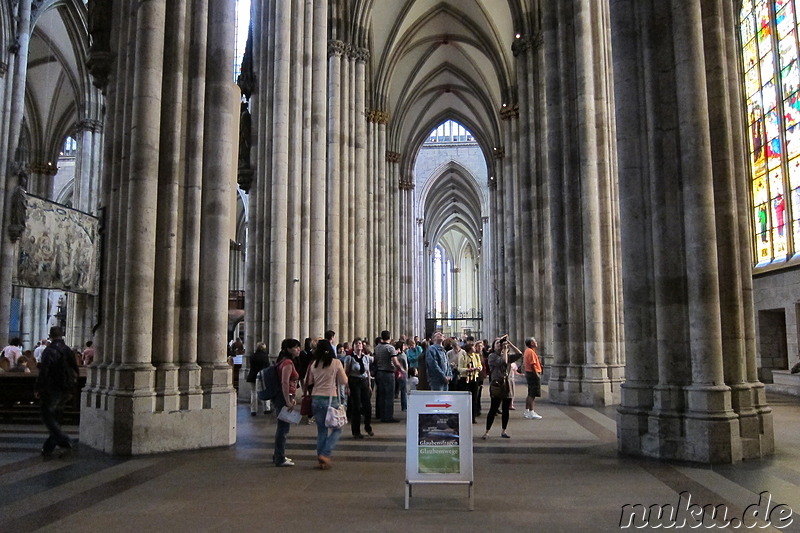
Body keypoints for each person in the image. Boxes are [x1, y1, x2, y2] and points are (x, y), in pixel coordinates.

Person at [305, 339, 349, 469]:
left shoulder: (314, 364)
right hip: (331, 399)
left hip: (316, 399)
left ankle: (321, 460)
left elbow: (310, 382)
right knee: (338, 428)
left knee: (321, 431)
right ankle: (325, 453)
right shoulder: (336, 363)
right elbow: (343, 380)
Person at [35, 327, 79, 457]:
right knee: (57, 416)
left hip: (52, 388)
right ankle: (49, 447)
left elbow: (44, 371)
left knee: (47, 415)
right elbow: (75, 370)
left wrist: (38, 388)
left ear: (50, 336)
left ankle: (64, 439)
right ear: (62, 335)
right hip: (65, 388)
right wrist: (72, 389)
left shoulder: (49, 351)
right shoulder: (68, 350)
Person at [482, 336, 523, 440]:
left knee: (506, 409)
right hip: (497, 384)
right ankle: (487, 431)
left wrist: (510, 343)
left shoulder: (507, 355)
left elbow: (519, 354)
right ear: (493, 347)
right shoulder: (492, 356)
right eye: (497, 344)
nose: (500, 345)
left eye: (501, 343)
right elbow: (503, 362)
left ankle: (504, 430)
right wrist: (505, 350)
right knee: (493, 408)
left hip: (507, 385)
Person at [272, 338, 301, 467]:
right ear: (288, 349)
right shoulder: (287, 363)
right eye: (295, 347)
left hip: (283, 397)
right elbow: (284, 382)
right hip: (283, 398)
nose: (298, 349)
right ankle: (279, 457)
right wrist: (287, 400)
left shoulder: (283, 361)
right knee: (283, 429)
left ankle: (278, 455)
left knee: (283, 428)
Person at [344, 338, 373, 439]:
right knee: (356, 407)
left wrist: (369, 385)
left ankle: (367, 426)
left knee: (367, 406)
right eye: (356, 344)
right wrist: (347, 387)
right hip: (354, 382)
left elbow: (368, 372)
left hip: (364, 382)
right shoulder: (349, 358)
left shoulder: (365, 357)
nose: (358, 345)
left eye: (360, 343)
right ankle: (356, 431)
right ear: (353, 346)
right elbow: (346, 373)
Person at [374, 330, 400, 422]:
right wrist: (401, 369)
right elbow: (395, 361)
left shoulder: (377, 347)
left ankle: (380, 414)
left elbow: (375, 360)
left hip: (379, 372)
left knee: (381, 395)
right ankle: (388, 416)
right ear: (389, 337)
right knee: (389, 395)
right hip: (388, 373)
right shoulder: (390, 348)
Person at [457, 342, 483, 423]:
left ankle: (473, 417)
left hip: (474, 378)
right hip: (464, 379)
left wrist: (478, 368)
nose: (474, 348)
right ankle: (464, 415)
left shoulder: (476, 356)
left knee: (474, 398)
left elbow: (480, 365)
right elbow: (459, 368)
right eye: (473, 347)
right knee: (465, 399)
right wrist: (467, 370)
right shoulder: (463, 357)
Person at [246, 342, 270, 416]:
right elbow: (267, 366)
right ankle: (266, 409)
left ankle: (253, 410)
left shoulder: (252, 355)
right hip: (262, 376)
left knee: (253, 393)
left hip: (252, 376)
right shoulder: (265, 356)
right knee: (265, 391)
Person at [523, 337, 544, 420]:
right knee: (533, 394)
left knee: (530, 393)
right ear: (531, 343)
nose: (536, 342)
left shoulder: (527, 351)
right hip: (532, 374)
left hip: (529, 373)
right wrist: (537, 375)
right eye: (535, 341)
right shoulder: (531, 352)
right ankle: (531, 411)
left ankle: (527, 411)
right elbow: (532, 364)